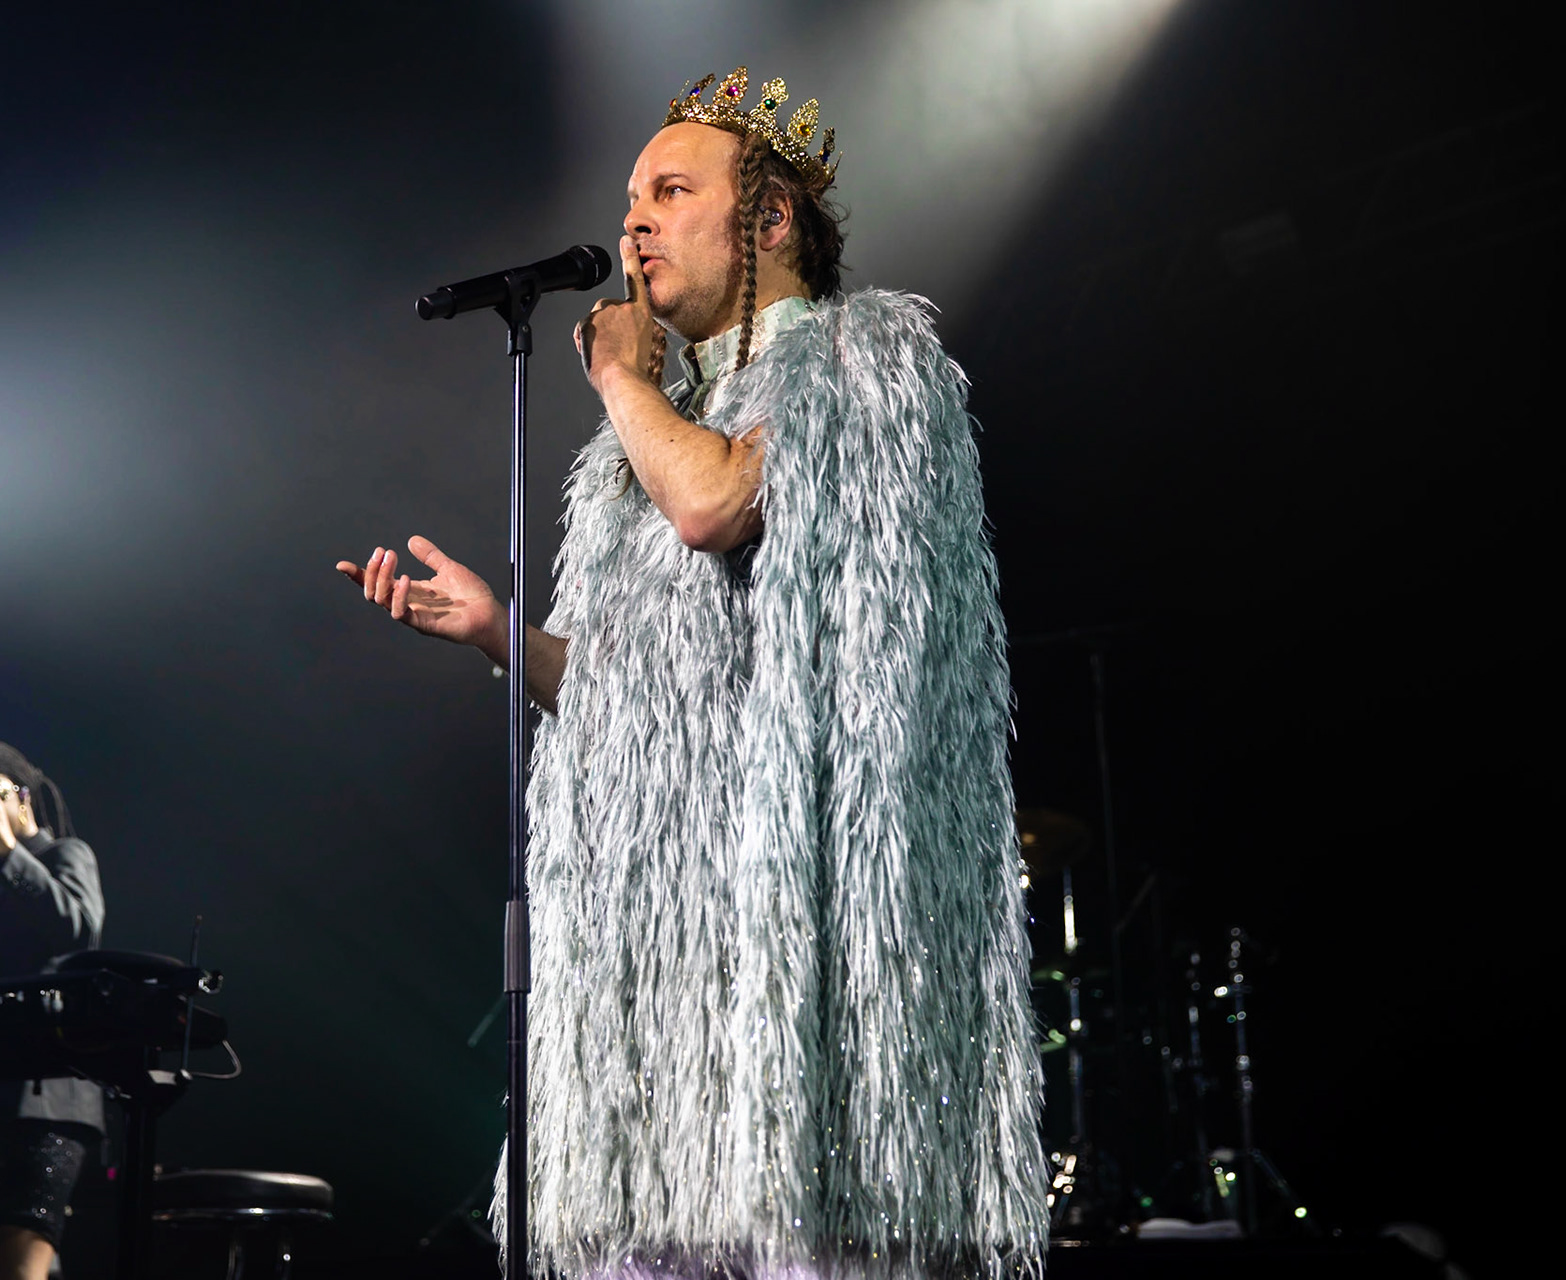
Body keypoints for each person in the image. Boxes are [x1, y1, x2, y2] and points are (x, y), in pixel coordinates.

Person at [337, 67, 1046, 1280]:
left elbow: (719, 505)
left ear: (768, 219)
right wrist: (503, 633)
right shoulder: (648, 443)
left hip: (797, 957)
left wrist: (622, 377)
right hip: (665, 986)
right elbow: (626, 700)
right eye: (628, 202)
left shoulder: (860, 360)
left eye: (670, 192)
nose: (633, 227)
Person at [0, 740, 105, 1280]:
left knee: (15, 1254)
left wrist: (9, 851)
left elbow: (77, 928)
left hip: (42, 1101)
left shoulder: (66, 855)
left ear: (19, 797)